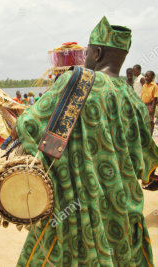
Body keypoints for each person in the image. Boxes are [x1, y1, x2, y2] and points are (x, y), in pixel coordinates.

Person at [13, 17, 156, 266]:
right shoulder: (133, 100)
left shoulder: (77, 81)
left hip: (76, 209)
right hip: (122, 207)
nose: (85, 57)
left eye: (88, 51)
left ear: (97, 52)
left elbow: (29, 125)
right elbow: (147, 161)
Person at [141, 70, 158, 135]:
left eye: (148, 76)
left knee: (150, 121)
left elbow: (155, 98)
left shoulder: (154, 86)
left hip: (150, 105)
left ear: (152, 77)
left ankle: (150, 135)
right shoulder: (144, 85)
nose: (146, 77)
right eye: (145, 75)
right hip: (143, 105)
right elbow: (142, 95)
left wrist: (152, 108)